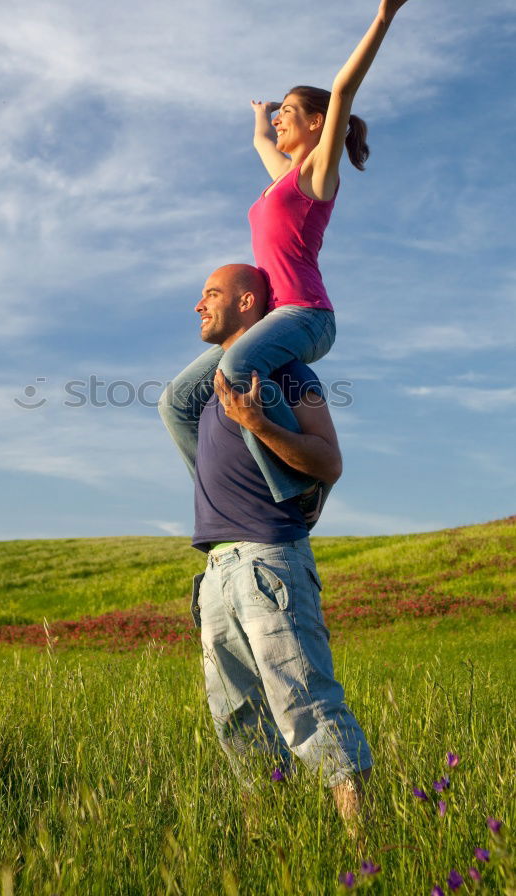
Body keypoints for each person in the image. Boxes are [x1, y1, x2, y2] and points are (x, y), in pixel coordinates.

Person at [159, 0, 426, 505]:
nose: (279, 121)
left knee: (237, 367)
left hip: (307, 315)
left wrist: (383, 19)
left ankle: (297, 485)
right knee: (176, 399)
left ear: (317, 124)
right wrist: (260, 116)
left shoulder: (317, 176)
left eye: (288, 113)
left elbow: (345, 88)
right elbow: (263, 144)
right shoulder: (282, 180)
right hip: (275, 317)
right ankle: (219, 492)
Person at [168, 263, 372, 829]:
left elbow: (328, 462)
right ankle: (277, 849)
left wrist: (259, 422)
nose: (198, 304)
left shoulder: (287, 370)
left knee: (308, 706)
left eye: (211, 294)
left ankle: (366, 848)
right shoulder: (207, 394)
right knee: (238, 722)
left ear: (247, 302)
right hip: (216, 568)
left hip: (269, 559)